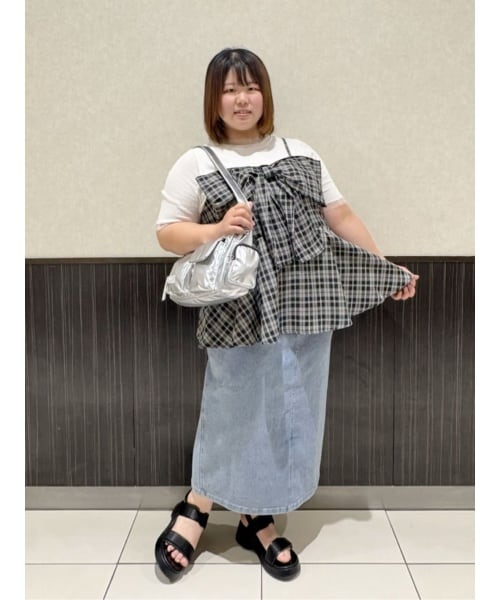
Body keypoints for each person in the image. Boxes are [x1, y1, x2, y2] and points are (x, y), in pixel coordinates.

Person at [154, 47, 419, 583]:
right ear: (214, 100)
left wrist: (384, 267)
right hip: (237, 308)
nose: (242, 98)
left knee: (291, 407)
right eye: (230, 89)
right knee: (230, 404)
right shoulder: (197, 162)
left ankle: (257, 516)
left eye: (250, 87)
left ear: (265, 94)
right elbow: (167, 233)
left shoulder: (300, 152)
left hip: (309, 302)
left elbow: (339, 213)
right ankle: (198, 505)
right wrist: (216, 228)